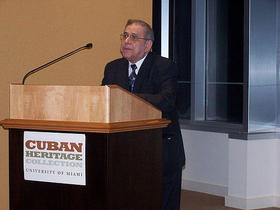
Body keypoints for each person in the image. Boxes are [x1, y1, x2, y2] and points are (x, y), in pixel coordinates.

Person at [102, 19, 185, 210]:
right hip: (123, 150)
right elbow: (105, 101)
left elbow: (166, 101)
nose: (126, 41)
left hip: (160, 147)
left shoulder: (164, 66)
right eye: (124, 35)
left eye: (133, 37)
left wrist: (125, 99)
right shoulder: (112, 68)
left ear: (148, 45)